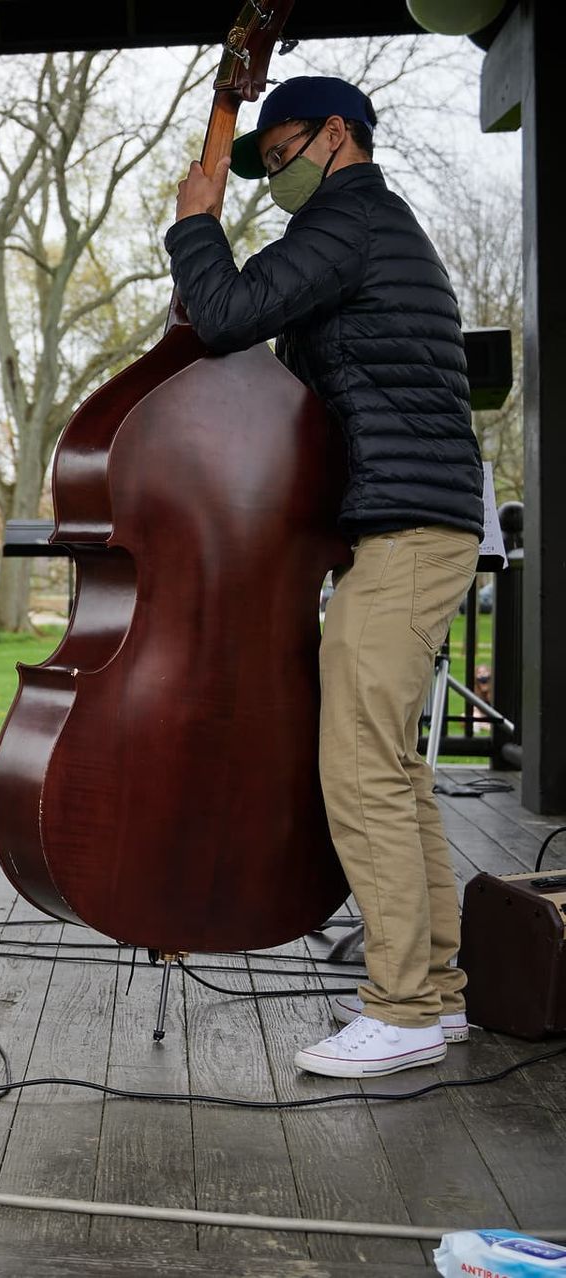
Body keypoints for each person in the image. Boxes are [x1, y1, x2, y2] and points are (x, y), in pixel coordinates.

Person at [169, 77, 483, 1078]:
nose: (269, 175)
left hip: (403, 536)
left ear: (335, 136)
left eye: (278, 152)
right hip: (413, 527)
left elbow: (226, 315)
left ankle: (396, 1009)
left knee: (359, 774)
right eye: (253, 167)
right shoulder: (371, 228)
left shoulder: (352, 222)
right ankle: (434, 997)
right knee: (396, 774)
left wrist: (197, 222)